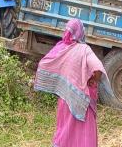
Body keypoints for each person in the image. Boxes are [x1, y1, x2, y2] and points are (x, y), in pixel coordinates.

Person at [34, 19, 111, 147]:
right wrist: (93, 80)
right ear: (81, 32)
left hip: (65, 99)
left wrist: (57, 84)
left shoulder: (60, 48)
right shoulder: (84, 49)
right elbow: (97, 67)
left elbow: (44, 63)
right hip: (82, 103)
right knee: (84, 134)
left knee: (65, 131)